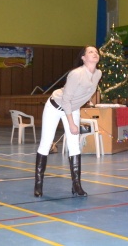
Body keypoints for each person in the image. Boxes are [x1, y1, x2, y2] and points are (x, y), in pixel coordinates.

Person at [35, 46, 102, 198]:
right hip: (56, 106)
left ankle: (76, 185)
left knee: (74, 145)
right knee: (46, 143)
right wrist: (71, 123)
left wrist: (89, 102)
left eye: (96, 52)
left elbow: (89, 90)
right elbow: (66, 100)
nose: (95, 54)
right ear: (83, 58)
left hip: (73, 108)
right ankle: (38, 184)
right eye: (90, 52)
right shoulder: (76, 74)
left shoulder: (98, 73)